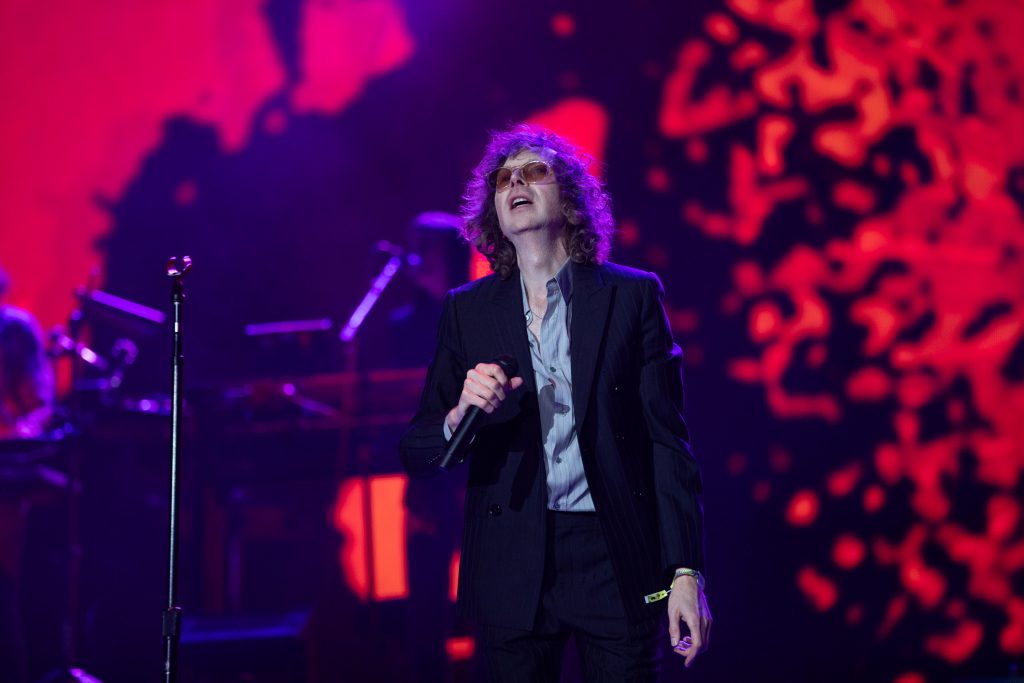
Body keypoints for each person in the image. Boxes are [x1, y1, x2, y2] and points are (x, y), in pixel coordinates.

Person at [399, 125, 711, 681]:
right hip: (511, 557)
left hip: (614, 555)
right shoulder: (467, 311)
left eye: (534, 172)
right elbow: (417, 450)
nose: (515, 183)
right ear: (494, 213)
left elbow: (667, 444)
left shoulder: (632, 296)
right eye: (503, 179)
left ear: (569, 198)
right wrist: (458, 417)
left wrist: (685, 571)